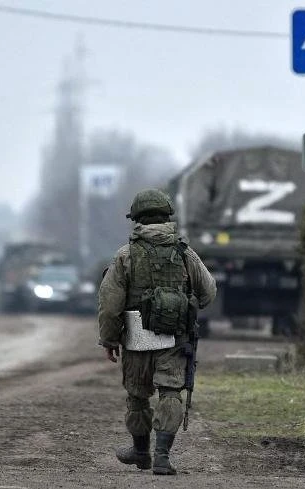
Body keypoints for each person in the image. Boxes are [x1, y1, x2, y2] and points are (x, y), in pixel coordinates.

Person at [98, 188, 216, 476]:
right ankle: (162, 457)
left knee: (137, 396)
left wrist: (109, 339)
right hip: (175, 338)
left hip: (137, 338)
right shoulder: (185, 253)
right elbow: (208, 291)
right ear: (167, 217)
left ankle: (141, 451)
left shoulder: (125, 255)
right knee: (171, 393)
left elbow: (110, 304)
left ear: (137, 219)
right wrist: (185, 303)